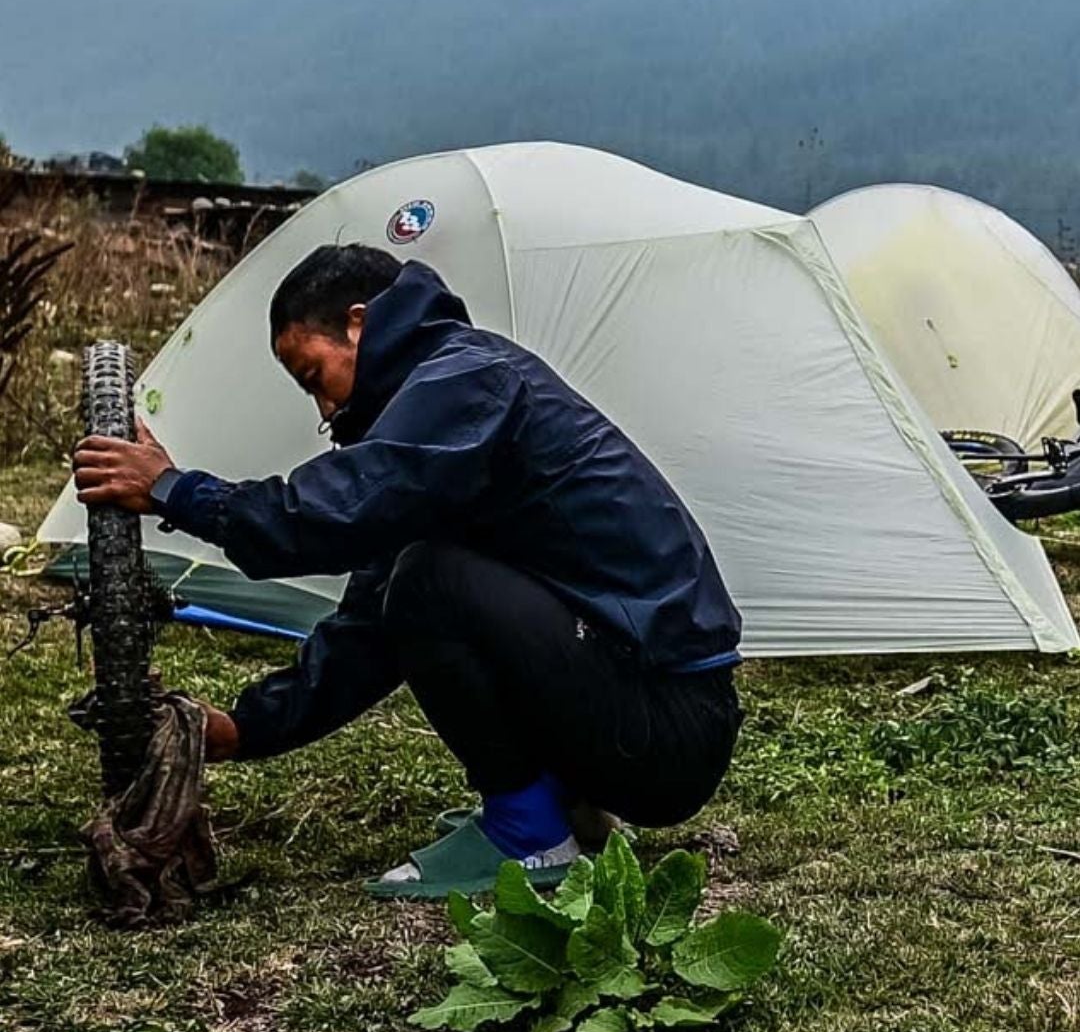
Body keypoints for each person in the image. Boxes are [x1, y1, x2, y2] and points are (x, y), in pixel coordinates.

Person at [74, 246, 743, 899]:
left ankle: (529, 834)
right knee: (416, 583)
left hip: (667, 729)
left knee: (431, 580)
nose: (324, 410)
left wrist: (174, 490)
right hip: (636, 714)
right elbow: (372, 622)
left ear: (360, 322)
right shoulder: (447, 402)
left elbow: (326, 517)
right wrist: (246, 728)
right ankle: (571, 813)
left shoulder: (467, 382)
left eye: (314, 376)